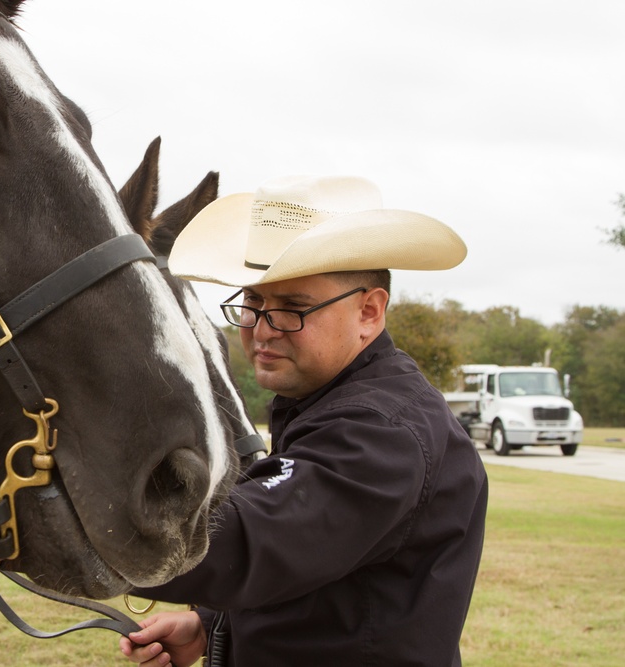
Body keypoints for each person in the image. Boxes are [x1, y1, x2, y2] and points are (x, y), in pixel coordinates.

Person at [118, 175, 488, 666]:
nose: (262, 330)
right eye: (252, 303)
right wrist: (210, 628)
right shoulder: (327, 403)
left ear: (369, 313)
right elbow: (324, 570)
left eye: (293, 308)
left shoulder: (379, 429)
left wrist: (41, 525)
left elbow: (254, 543)